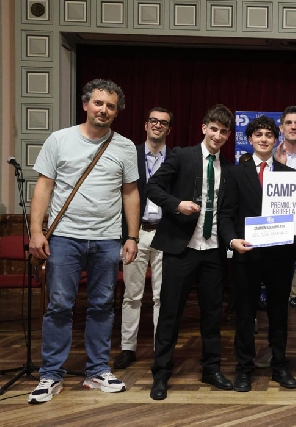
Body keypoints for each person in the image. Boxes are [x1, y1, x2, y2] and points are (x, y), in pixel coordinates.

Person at [27, 79, 139, 404]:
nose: (104, 110)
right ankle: (51, 375)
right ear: (86, 104)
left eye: (111, 106)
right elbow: (44, 186)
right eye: (99, 103)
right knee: (59, 306)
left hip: (107, 239)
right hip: (65, 237)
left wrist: (132, 236)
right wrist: (36, 231)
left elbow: (130, 193)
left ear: (116, 112)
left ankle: (97, 370)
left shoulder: (125, 147)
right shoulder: (59, 140)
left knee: (102, 306)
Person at [145, 104, 234, 400]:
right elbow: (153, 187)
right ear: (204, 128)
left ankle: (211, 369)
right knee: (170, 313)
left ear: (228, 135)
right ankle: (161, 373)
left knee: (212, 314)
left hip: (213, 250)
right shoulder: (183, 156)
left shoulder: (228, 167)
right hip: (180, 248)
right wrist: (176, 204)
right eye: (214, 129)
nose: (217, 135)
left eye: (223, 132)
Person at [219, 116, 296, 392]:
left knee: (279, 314)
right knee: (245, 314)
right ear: (250, 139)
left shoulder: (288, 175)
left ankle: (279, 365)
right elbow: (226, 214)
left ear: (276, 140)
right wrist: (231, 241)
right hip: (247, 253)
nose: (264, 139)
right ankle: (244, 369)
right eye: (258, 134)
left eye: (268, 135)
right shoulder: (235, 173)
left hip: (280, 255)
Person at [257, 106, 296, 371]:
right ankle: (275, 348)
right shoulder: (267, 153)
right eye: (288, 123)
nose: (293, 127)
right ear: (281, 128)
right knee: (277, 297)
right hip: (278, 234)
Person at [114, 107, 173, 370]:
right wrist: (128, 234)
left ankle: (161, 350)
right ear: (146, 125)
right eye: (153, 121)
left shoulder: (176, 158)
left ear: (169, 129)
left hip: (166, 233)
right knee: (132, 294)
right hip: (134, 234)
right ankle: (128, 348)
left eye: (163, 123)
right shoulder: (130, 155)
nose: (158, 125)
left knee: (163, 296)